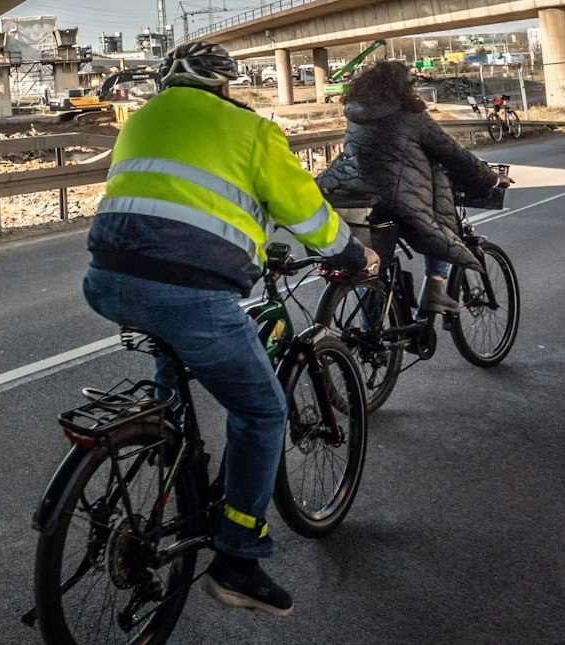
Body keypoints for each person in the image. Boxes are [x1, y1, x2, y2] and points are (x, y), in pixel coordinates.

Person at [85, 40, 377, 617]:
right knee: (263, 410)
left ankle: (164, 441)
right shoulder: (251, 130)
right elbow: (307, 212)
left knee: (172, 374)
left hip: (108, 280)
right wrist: (351, 255)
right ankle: (238, 559)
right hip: (189, 291)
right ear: (225, 86)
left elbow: (177, 198)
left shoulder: (139, 121)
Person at [316, 61, 507, 317]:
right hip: (395, 198)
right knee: (437, 225)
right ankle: (435, 288)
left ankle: (369, 333)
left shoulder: (357, 114)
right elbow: (453, 154)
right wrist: (492, 179)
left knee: (373, 263)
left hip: (355, 195)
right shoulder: (411, 116)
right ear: (402, 88)